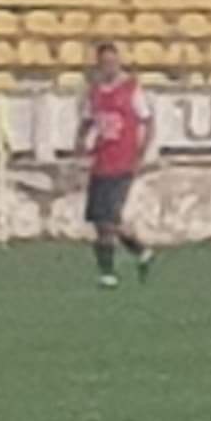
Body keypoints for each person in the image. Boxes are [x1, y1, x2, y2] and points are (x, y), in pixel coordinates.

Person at [70, 38, 155, 286]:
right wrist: (79, 143)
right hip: (101, 160)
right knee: (101, 220)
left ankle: (108, 274)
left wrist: (141, 152)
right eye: (104, 62)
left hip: (123, 161)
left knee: (108, 217)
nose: (109, 66)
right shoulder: (95, 92)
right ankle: (140, 251)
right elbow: (87, 121)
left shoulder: (131, 89)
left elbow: (148, 121)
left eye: (113, 61)